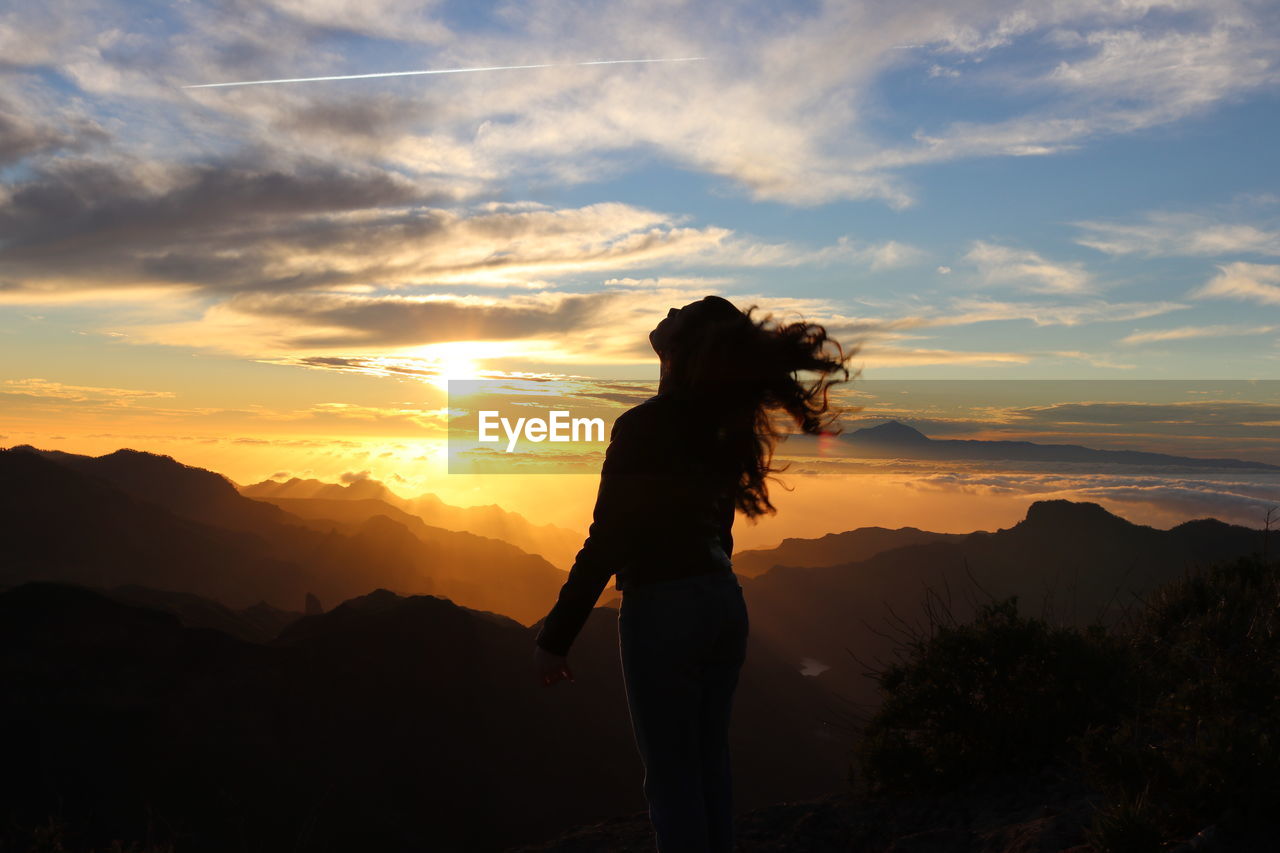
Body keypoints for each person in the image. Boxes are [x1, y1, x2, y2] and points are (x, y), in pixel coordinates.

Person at [533, 295, 858, 852]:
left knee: (672, 777)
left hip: (664, 610)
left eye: (679, 313)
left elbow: (608, 538)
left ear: (684, 347)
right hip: (721, 601)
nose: (668, 311)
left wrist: (556, 636)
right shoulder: (722, 428)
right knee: (709, 764)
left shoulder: (643, 427)